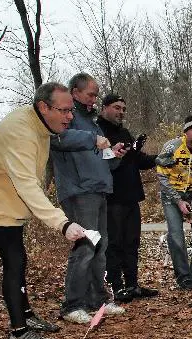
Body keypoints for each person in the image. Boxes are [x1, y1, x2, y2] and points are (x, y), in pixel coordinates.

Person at [0, 82, 87, 339]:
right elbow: (26, 183)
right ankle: (18, 332)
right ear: (43, 107)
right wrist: (62, 222)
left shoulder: (39, 124)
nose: (69, 117)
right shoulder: (20, 131)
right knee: (14, 260)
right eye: (64, 110)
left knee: (19, 257)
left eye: (71, 110)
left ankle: (27, 314)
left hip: (8, 198)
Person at [49, 73, 126, 323]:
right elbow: (58, 139)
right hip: (79, 192)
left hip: (99, 189)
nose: (94, 99)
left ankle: (98, 299)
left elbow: (100, 159)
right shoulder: (66, 117)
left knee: (99, 247)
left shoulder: (90, 120)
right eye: (90, 94)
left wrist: (113, 154)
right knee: (85, 247)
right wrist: (94, 140)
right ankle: (72, 305)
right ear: (75, 92)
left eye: (95, 95)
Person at [97, 93, 158, 302]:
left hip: (132, 195)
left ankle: (132, 284)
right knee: (114, 243)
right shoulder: (97, 132)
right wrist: (121, 153)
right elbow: (100, 163)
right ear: (104, 108)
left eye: (123, 109)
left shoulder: (123, 131)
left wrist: (159, 159)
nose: (121, 112)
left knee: (132, 242)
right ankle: (116, 287)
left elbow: (137, 160)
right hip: (111, 197)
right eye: (116, 107)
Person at [155, 115, 192, 289]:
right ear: (185, 132)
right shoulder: (171, 147)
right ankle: (183, 277)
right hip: (171, 195)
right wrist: (178, 201)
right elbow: (162, 177)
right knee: (176, 235)